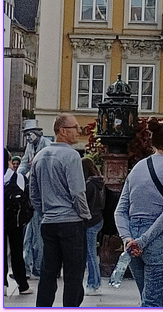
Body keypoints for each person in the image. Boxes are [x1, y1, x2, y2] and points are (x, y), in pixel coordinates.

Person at [114, 118, 163, 307]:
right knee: (154, 303)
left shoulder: (138, 167)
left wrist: (127, 238)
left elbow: (120, 210)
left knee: (146, 298)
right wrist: (144, 240)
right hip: (158, 238)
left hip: (133, 238)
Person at [29, 114, 91, 307]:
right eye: (75, 128)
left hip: (48, 222)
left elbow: (34, 194)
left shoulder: (39, 156)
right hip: (70, 222)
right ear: (63, 131)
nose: (78, 131)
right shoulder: (71, 156)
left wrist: (45, 211)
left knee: (48, 273)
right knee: (73, 274)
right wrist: (85, 216)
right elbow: (78, 192)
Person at [20, 120, 52, 279]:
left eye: (29, 134)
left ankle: (37, 267)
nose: (27, 138)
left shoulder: (47, 145)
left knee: (38, 237)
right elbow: (25, 163)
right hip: (31, 197)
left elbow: (43, 168)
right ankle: (26, 267)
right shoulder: (30, 146)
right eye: (25, 135)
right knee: (29, 236)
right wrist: (17, 177)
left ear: (37, 133)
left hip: (41, 198)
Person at [4, 149, 32, 296]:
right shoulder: (18, 178)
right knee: (16, 252)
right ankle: (22, 285)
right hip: (15, 221)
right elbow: (27, 198)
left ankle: (2, 284)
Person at [81, 157, 105, 296]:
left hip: (90, 220)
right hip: (99, 219)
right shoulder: (99, 181)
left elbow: (84, 203)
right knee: (92, 253)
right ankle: (95, 282)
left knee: (90, 253)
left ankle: (94, 284)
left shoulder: (89, 184)